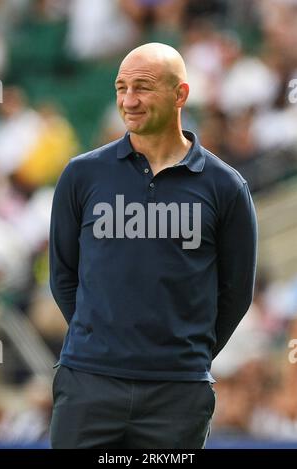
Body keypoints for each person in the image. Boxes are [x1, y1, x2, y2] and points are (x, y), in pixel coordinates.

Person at [49, 42, 257, 449]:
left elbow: (236, 293)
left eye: (142, 87)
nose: (128, 101)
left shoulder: (226, 186)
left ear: (180, 94)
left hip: (176, 395)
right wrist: (102, 342)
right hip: (89, 386)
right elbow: (63, 276)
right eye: (120, 87)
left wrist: (184, 356)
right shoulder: (81, 175)